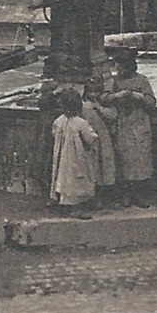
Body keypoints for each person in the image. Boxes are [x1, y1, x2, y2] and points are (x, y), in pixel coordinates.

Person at [99, 50, 156, 207]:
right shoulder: (114, 81)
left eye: (120, 66)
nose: (118, 68)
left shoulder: (142, 80)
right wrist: (117, 96)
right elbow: (103, 98)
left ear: (129, 66)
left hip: (139, 124)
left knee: (141, 159)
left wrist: (139, 97)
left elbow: (152, 102)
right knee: (124, 159)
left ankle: (138, 194)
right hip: (123, 124)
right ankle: (126, 194)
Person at [48, 87, 99, 217]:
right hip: (77, 156)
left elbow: (53, 134)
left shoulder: (59, 120)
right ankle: (76, 207)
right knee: (77, 179)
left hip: (62, 154)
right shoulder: (81, 123)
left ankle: (59, 199)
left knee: (62, 177)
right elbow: (91, 138)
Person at [80, 83, 118, 206]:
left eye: (96, 92)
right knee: (91, 167)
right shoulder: (82, 106)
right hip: (89, 140)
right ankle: (91, 196)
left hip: (103, 139)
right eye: (90, 91)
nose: (93, 94)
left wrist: (99, 107)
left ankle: (102, 196)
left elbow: (112, 116)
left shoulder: (104, 105)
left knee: (104, 167)